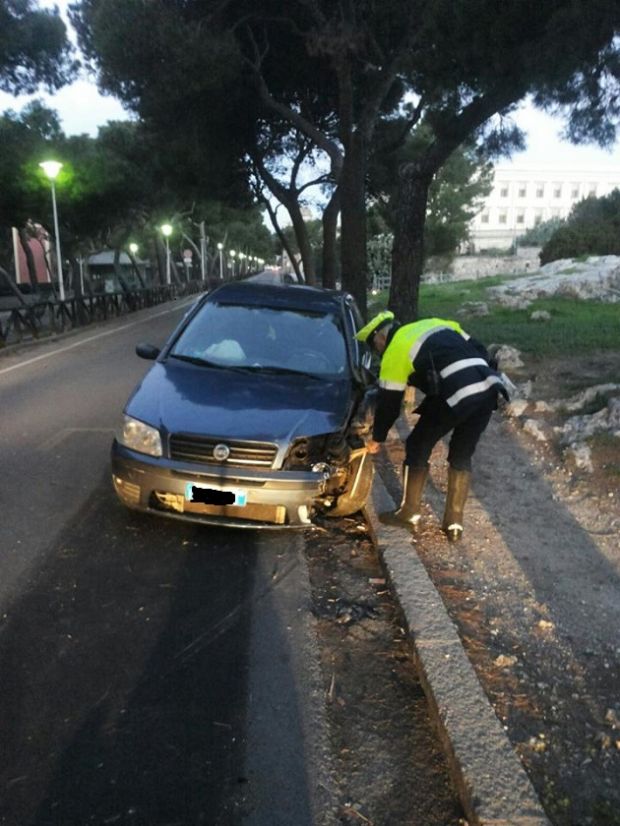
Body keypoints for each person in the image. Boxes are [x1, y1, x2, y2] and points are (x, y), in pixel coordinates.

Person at [356, 310, 507, 541]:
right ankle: (454, 523)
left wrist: (377, 438)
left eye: (375, 346)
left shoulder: (395, 350)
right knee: (462, 452)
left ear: (381, 338)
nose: (378, 352)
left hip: (454, 391)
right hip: (488, 388)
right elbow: (478, 347)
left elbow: (389, 404)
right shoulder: (436, 323)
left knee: (418, 444)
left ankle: (409, 513)